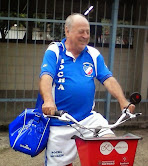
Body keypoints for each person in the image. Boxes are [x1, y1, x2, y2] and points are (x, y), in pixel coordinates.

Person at [39, 13, 135, 166]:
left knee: (109, 149)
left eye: (88, 32)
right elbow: (46, 77)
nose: (85, 36)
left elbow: (108, 79)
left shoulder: (93, 54)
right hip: (61, 121)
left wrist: (123, 102)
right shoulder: (55, 51)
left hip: (88, 118)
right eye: (81, 31)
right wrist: (48, 101)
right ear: (67, 31)